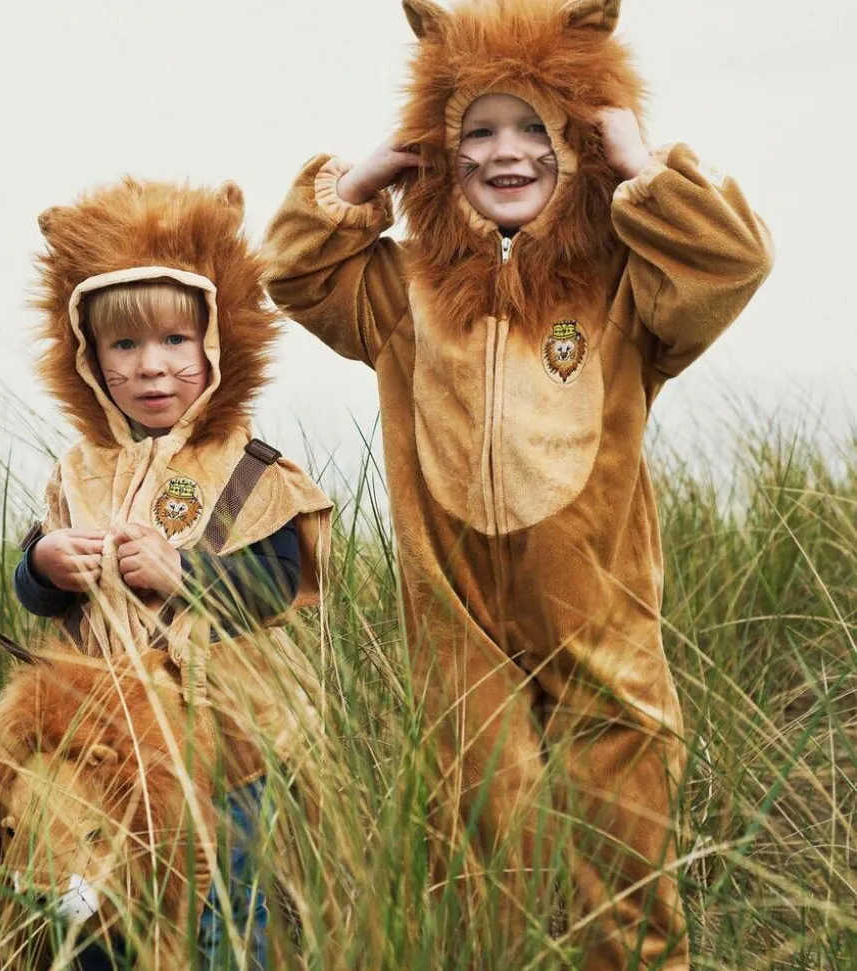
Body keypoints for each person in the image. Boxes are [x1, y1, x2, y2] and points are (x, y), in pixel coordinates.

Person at [263, 0, 773, 966]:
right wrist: (361, 180)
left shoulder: (625, 284)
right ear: (439, 148)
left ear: (578, 141)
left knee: (622, 834)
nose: (507, 152)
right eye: (477, 130)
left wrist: (642, 165)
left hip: (600, 621)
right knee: (483, 842)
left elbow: (733, 262)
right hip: (457, 624)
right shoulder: (404, 292)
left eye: (536, 126)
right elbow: (293, 273)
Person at [15, 176, 333, 969]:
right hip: (100, 742)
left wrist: (184, 571)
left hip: (224, 741)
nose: (151, 368)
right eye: (124, 346)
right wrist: (45, 564)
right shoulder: (79, 471)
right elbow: (33, 590)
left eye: (175, 341)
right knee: (95, 907)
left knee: (225, 905)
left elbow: (277, 583)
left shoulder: (250, 467)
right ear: (89, 355)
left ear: (216, 342)